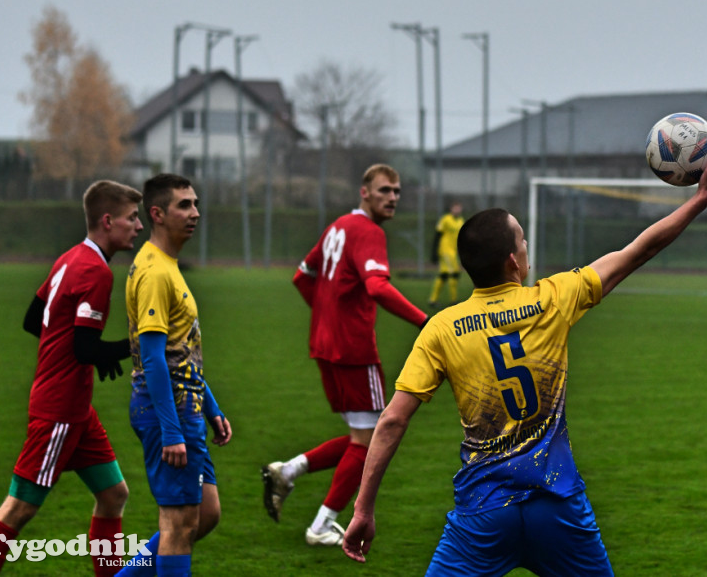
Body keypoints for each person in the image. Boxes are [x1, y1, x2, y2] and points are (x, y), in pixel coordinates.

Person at [343, 141, 707, 575]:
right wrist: (698, 202)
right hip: (557, 508)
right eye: (523, 240)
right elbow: (638, 250)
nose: (527, 248)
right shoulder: (553, 299)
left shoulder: (441, 329)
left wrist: (363, 509)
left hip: (482, 517)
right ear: (513, 261)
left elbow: (392, 421)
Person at [0, 180, 143, 577]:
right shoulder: (98, 272)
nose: (138, 226)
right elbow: (84, 347)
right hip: (60, 410)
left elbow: (35, 320)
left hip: (76, 408)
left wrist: (88, 355)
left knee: (114, 494)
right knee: (19, 507)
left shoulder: (70, 257)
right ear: (107, 220)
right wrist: (136, 346)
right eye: (131, 218)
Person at [262, 163, 429, 547]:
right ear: (364, 192)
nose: (392, 198)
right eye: (385, 190)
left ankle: (288, 471)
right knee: (371, 441)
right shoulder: (367, 232)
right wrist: (424, 321)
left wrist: (326, 316)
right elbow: (378, 287)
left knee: (362, 436)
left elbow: (302, 276)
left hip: (324, 346)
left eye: (397, 192)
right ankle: (321, 524)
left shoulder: (337, 226)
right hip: (354, 349)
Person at [115, 174, 232, 577]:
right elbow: (152, 358)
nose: (195, 213)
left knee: (206, 513)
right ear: (157, 214)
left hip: (188, 406)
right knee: (179, 525)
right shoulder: (153, 272)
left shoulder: (168, 265)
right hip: (168, 411)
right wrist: (171, 431)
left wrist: (211, 405)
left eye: (196, 203)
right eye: (184, 205)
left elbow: (181, 350)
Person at [428, 202, 465, 309]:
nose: (457, 210)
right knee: (454, 273)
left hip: (453, 251)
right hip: (445, 250)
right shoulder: (445, 219)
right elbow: (437, 235)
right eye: (455, 207)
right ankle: (454, 300)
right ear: (451, 208)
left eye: (459, 208)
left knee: (443, 275)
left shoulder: (461, 221)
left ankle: (433, 300)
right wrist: (434, 252)